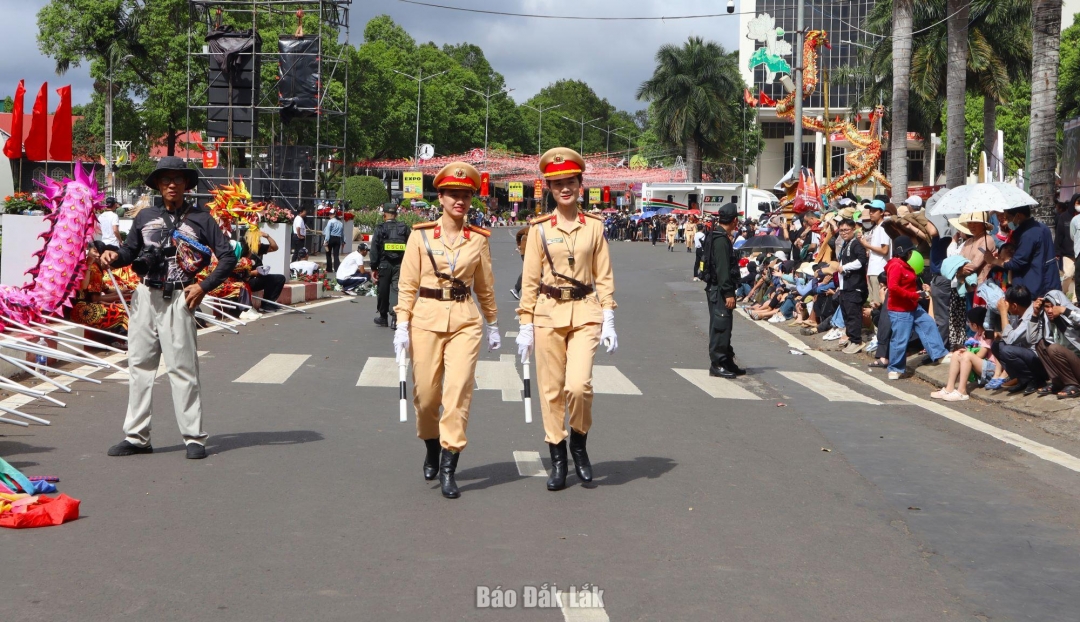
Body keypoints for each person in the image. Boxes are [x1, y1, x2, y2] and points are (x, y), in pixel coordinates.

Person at [99, 156, 236, 460]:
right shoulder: (145, 215)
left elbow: (228, 257)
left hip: (179, 299)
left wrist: (203, 286)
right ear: (158, 185)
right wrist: (111, 255)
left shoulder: (201, 218)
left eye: (177, 179)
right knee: (140, 367)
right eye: (165, 179)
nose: (171, 184)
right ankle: (136, 437)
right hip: (145, 297)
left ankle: (194, 438)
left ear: (186, 184)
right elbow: (129, 252)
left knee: (183, 369)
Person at [393, 162, 499, 499]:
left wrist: (493, 323)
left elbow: (485, 286)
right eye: (453, 194)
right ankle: (432, 447)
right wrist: (402, 324)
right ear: (440, 197)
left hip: (465, 321)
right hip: (425, 318)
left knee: (457, 393)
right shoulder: (419, 235)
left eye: (465, 195)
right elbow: (407, 284)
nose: (459, 200)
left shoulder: (478, 240)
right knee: (426, 397)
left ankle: (450, 465)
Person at [516, 147, 618, 492]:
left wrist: (609, 316)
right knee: (551, 391)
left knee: (578, 385)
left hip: (586, 311)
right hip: (547, 312)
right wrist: (525, 324)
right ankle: (558, 457)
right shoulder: (539, 230)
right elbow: (530, 280)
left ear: (580, 184)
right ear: (549, 187)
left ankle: (579, 442)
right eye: (557, 183)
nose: (564, 188)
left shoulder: (595, 228)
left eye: (570, 181)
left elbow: (602, 275)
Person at [883, 236, 948, 380]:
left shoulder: (903, 265)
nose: (911, 254)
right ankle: (895, 368)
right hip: (900, 310)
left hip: (912, 305)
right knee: (900, 339)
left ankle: (938, 354)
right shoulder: (896, 265)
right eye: (909, 252)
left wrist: (917, 293)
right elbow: (893, 287)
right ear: (903, 252)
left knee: (928, 324)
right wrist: (913, 295)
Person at [702, 203, 744, 379]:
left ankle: (726, 360)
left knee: (725, 326)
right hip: (719, 290)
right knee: (720, 326)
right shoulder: (720, 240)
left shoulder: (720, 236)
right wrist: (728, 293)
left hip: (719, 289)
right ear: (734, 220)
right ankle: (717, 363)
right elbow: (723, 270)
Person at [984, 206, 1061, 298]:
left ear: (1018, 216)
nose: (1008, 221)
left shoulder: (1028, 234)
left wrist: (993, 260)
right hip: (1047, 282)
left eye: (1008, 218)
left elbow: (1017, 263)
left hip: (1034, 286)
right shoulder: (1041, 227)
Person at [931, 307, 1000, 401]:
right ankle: (949, 388)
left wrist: (967, 353)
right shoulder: (978, 334)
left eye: (969, 322)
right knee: (957, 354)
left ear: (975, 325)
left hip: (992, 369)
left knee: (966, 356)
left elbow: (981, 354)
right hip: (983, 366)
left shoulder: (987, 335)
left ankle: (962, 391)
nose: (968, 324)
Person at [992, 285, 1049, 395]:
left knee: (1007, 350)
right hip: (1027, 354)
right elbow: (1009, 335)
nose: (1005, 305)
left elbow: (1010, 339)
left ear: (1014, 305)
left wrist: (1003, 313)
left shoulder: (1030, 314)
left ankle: (1035, 380)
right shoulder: (1019, 311)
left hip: (1041, 360)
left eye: (1007, 303)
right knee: (997, 345)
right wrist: (999, 335)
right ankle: (1022, 379)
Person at [370, 204, 411, 328]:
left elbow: (374, 250)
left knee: (383, 290)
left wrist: (373, 268)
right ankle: (395, 318)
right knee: (396, 290)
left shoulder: (380, 228)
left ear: (384, 215)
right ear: (396, 215)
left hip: (383, 264)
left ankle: (383, 317)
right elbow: (411, 247)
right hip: (400, 265)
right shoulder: (404, 228)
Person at [835, 218, 868, 353]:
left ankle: (857, 340)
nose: (843, 233)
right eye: (841, 230)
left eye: (846, 230)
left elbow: (861, 261)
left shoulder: (856, 244)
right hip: (845, 285)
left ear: (853, 229)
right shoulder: (846, 244)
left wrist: (844, 267)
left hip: (855, 285)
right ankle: (851, 338)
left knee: (853, 313)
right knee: (847, 313)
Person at [245, 229, 286, 314]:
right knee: (267, 280)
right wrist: (253, 273)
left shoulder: (258, 248)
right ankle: (266, 304)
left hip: (258, 277)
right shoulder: (245, 251)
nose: (259, 242)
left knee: (280, 278)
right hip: (247, 280)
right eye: (257, 240)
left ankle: (269, 302)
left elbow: (275, 247)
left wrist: (267, 236)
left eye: (260, 240)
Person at [859, 200, 890, 306]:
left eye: (874, 211)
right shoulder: (877, 227)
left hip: (879, 270)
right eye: (870, 210)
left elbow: (884, 250)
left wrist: (866, 245)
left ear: (882, 212)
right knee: (873, 303)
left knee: (878, 303)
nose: (871, 213)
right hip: (873, 270)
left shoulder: (884, 227)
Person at [511, 225, 529, 300]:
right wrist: (519, 245)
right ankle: (516, 289)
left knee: (532, 271)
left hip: (533, 253)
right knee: (530, 270)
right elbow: (518, 234)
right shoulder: (530, 228)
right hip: (526, 253)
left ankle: (537, 291)